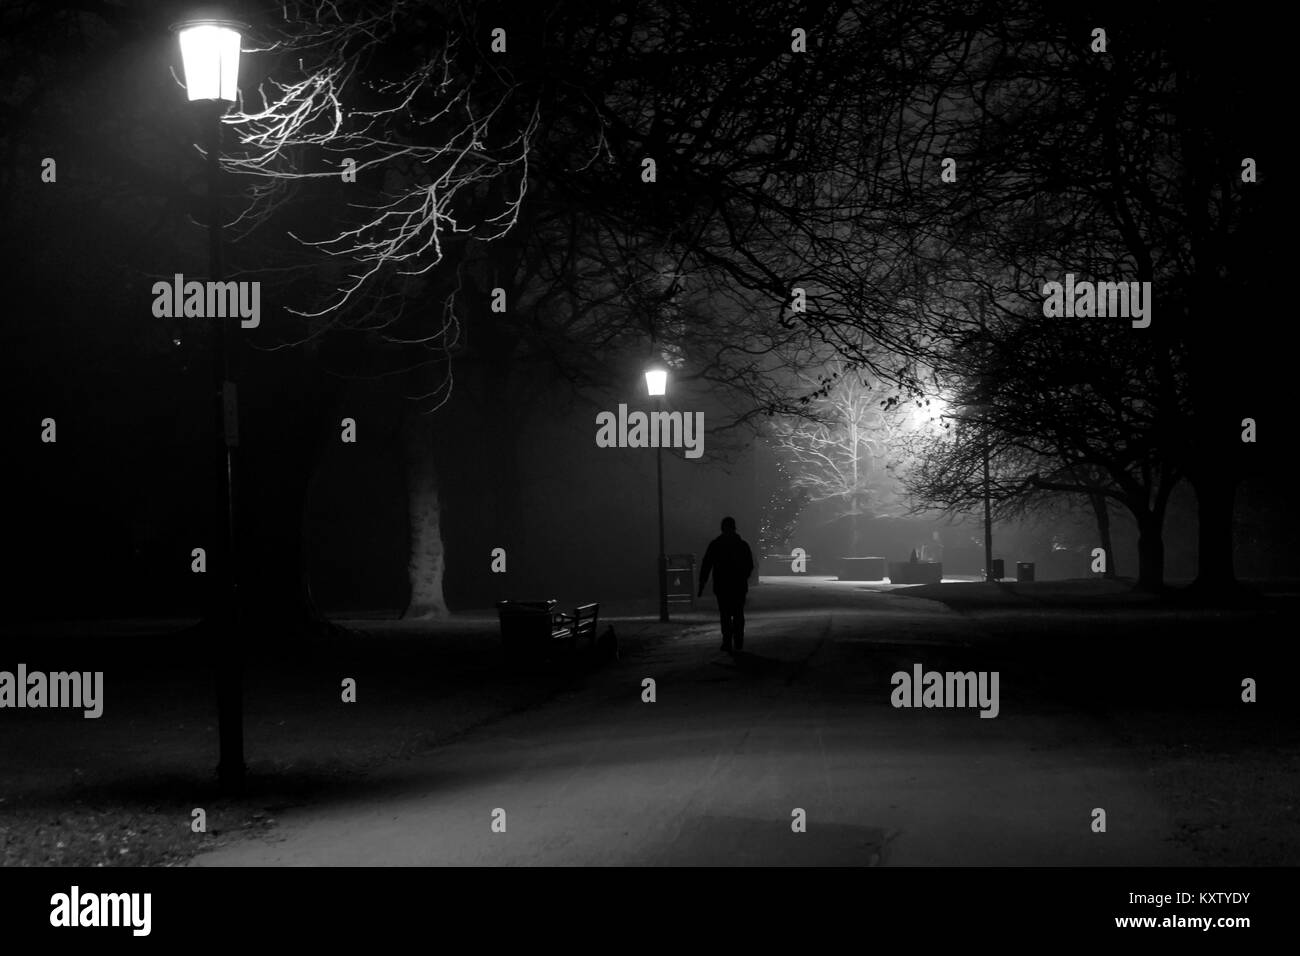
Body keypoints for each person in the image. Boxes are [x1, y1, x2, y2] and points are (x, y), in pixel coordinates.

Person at [697, 516, 755, 653]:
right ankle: (738, 639)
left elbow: (706, 565)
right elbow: (749, 565)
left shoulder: (716, 544)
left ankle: (727, 641)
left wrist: (702, 583)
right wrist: (743, 577)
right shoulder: (742, 545)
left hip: (722, 585)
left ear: (722, 528)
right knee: (738, 613)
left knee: (725, 614)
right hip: (738, 585)